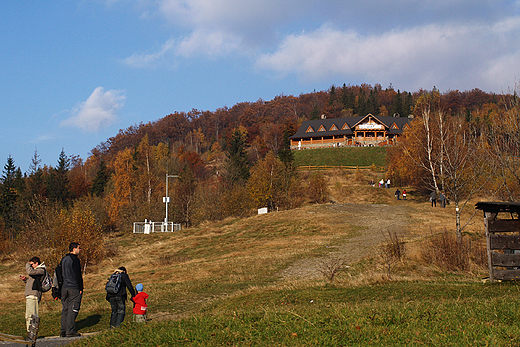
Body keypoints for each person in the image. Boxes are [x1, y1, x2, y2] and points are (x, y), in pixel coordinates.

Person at [60, 242, 83, 338]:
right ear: (74, 249)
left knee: (65, 308)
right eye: (79, 248)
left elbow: (59, 272)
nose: (80, 250)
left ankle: (63, 330)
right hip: (73, 287)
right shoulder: (75, 260)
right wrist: (80, 287)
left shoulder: (64, 259)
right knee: (73, 309)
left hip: (64, 287)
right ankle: (70, 330)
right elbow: (78, 274)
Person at [20, 256, 46, 332]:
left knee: (32, 315)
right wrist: (25, 280)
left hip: (34, 296)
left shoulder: (41, 270)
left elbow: (30, 272)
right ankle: (29, 332)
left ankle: (33, 332)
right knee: (28, 316)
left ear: (36, 263)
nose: (31, 266)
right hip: (29, 295)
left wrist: (27, 264)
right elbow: (33, 282)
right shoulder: (36, 272)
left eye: (32, 264)